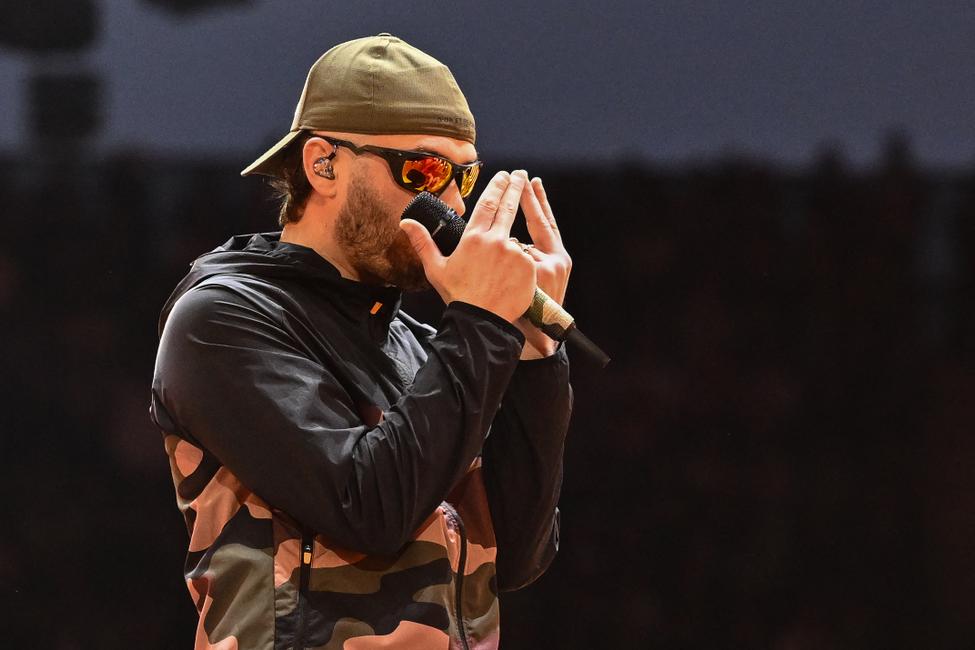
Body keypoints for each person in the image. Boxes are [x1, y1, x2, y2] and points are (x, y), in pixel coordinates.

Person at [150, 33, 573, 650]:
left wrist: (535, 351)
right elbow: (368, 511)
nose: (451, 205)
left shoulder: (427, 345)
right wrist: (480, 323)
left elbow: (516, 557)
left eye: (465, 176)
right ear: (323, 164)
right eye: (425, 170)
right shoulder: (222, 320)